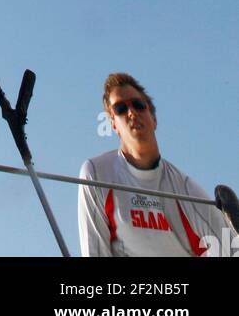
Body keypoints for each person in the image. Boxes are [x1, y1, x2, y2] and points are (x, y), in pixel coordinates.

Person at [78, 72, 232, 257]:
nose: (132, 112)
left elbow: (230, 250)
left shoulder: (186, 191)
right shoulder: (97, 174)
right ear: (113, 125)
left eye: (139, 105)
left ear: (154, 118)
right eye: (120, 108)